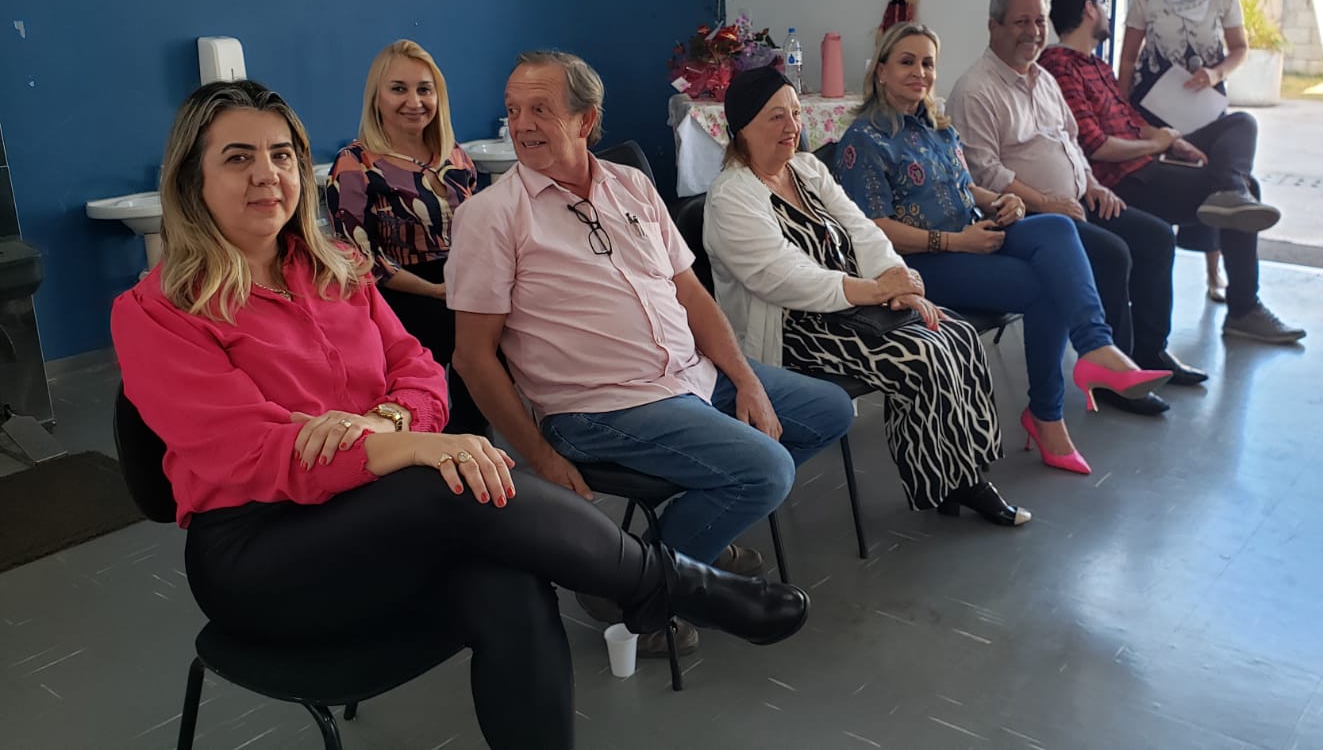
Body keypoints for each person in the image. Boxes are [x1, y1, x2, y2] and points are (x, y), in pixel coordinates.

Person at [111, 80, 808, 750]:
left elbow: (422, 372)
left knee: (511, 581)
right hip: (261, 555)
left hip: (378, 517)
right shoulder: (154, 311)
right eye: (238, 158)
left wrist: (386, 426)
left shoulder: (339, 270)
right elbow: (253, 451)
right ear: (192, 179)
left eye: (282, 155)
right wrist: (412, 448)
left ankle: (656, 587)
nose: (267, 175)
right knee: (445, 478)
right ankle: (665, 584)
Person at [447, 51, 854, 653]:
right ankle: (638, 585)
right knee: (766, 470)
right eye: (514, 110)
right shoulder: (491, 216)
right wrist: (540, 458)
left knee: (831, 411)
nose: (521, 124)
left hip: (691, 376)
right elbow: (473, 358)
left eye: (540, 109)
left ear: (586, 120)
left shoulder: (632, 185)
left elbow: (692, 294)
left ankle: (664, 554)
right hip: (601, 407)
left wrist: (745, 379)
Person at [835, 22, 1171, 477]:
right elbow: (873, 229)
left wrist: (1002, 201)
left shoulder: (935, 126)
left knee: (1056, 226)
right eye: (906, 62)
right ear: (880, 71)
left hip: (971, 235)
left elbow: (962, 187)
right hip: (918, 263)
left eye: (928, 63)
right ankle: (1047, 417)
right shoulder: (864, 140)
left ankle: (1095, 347)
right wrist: (957, 242)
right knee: (1043, 286)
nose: (920, 72)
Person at [704, 65, 1027, 527]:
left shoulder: (806, 168)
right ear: (742, 128)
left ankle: (968, 474)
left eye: (795, 113)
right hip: (793, 327)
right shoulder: (731, 197)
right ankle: (943, 482)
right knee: (920, 355)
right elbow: (782, 278)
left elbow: (861, 229)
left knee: (954, 333)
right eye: (776, 116)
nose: (792, 126)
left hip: (852, 306)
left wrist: (897, 279)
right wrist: (874, 290)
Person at [945, 0, 1211, 417]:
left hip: (1076, 202)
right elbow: (985, 174)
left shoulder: (1045, 79)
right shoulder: (976, 90)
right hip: (1026, 219)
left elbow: (1071, 142)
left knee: (1157, 237)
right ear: (993, 26)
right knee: (1113, 254)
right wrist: (1048, 203)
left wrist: (1092, 184)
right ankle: (1113, 379)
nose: (1034, 31)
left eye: (1040, 21)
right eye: (1021, 21)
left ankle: (1149, 352)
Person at [1040, 0, 1306, 344]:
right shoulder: (1059, 65)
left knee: (1241, 123)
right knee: (1250, 188)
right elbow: (1095, 146)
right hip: (1124, 181)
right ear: (1089, 9)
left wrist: (1174, 143)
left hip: (1146, 162)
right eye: (1101, 4)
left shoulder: (1097, 66)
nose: (1105, 12)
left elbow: (1131, 121)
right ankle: (1244, 308)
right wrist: (1154, 145)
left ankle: (1230, 190)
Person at [326, 40, 485, 433]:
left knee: (483, 378)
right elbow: (359, 259)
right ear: (377, 97)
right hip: (398, 296)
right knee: (428, 390)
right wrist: (436, 291)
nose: (414, 102)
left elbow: (482, 227)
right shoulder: (355, 164)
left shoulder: (455, 156)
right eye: (399, 89)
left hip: (462, 285)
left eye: (424, 89)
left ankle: (478, 448)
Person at [1117, 0, 1247, 304]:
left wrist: (1216, 74)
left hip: (1204, 102)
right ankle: (1151, 278)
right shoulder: (1146, 0)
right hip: (1153, 104)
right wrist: (1121, 107)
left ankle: (1214, 273)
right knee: (1159, 187)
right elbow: (1128, 59)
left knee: (1214, 178)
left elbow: (1239, 48)